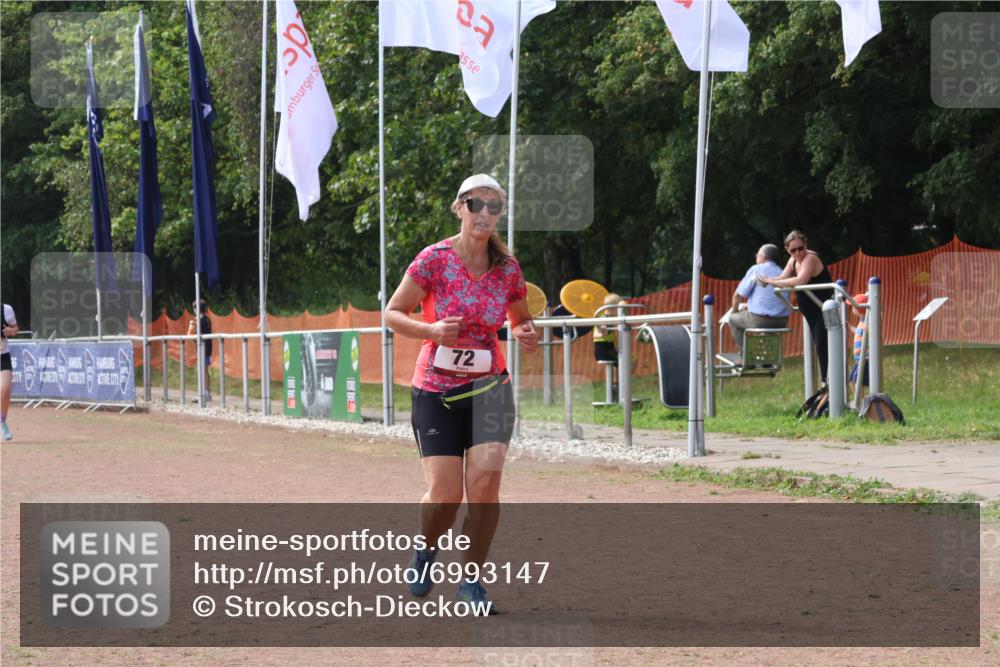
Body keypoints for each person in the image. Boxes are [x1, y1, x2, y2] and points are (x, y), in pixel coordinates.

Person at [384, 174, 538, 614]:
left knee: (486, 487)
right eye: (477, 205)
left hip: (490, 388)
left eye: (494, 207)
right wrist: (430, 330)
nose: (485, 214)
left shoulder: (508, 269)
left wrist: (526, 333)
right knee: (446, 495)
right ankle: (426, 549)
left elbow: (521, 318)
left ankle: (471, 581)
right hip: (436, 390)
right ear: (460, 208)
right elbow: (393, 313)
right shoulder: (433, 260)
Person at [758, 230, 834, 383]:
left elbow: (800, 281)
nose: (798, 253)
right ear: (787, 250)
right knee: (819, 346)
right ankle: (826, 385)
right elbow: (782, 277)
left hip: (824, 308)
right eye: (793, 250)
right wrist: (767, 279)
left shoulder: (810, 258)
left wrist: (772, 282)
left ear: (805, 244)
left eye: (800, 248)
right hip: (811, 311)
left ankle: (829, 385)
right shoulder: (792, 261)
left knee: (823, 346)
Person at [727, 244, 790, 352]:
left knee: (732, 319)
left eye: (757, 255)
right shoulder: (783, 272)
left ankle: (745, 357)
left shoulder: (756, 269)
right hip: (782, 321)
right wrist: (751, 306)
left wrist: (735, 311)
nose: (756, 257)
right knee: (761, 324)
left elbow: (737, 296)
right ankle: (766, 358)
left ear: (763, 257)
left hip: (760, 320)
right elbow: (772, 299)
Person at [187, 299, 212, 402]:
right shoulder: (206, 319)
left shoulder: (199, 320)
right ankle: (206, 392)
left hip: (203, 347)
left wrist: (192, 326)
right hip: (207, 347)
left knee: (202, 369)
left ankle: (205, 393)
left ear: (196, 309)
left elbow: (193, 336)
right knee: (204, 369)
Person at [1, 303, 19, 441]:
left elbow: (15, 329)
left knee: (5, 390)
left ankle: (2, 421)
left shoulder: (6, 309)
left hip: (2, 355)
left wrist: (10, 331)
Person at [849, 293, 870, 394]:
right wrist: (850, 327)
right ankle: (858, 401)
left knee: (858, 380)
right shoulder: (861, 322)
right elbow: (858, 332)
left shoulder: (867, 324)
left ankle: (860, 401)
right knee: (852, 379)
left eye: (853, 306)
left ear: (858, 309)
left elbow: (873, 339)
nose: (851, 308)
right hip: (858, 359)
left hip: (865, 358)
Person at [593, 293, 623, 363]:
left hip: (608, 346)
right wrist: (602, 331)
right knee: (628, 360)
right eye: (618, 309)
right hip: (603, 349)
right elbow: (600, 331)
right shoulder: (604, 318)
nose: (619, 311)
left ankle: (618, 374)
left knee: (626, 360)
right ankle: (621, 374)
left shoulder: (609, 318)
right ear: (612, 309)